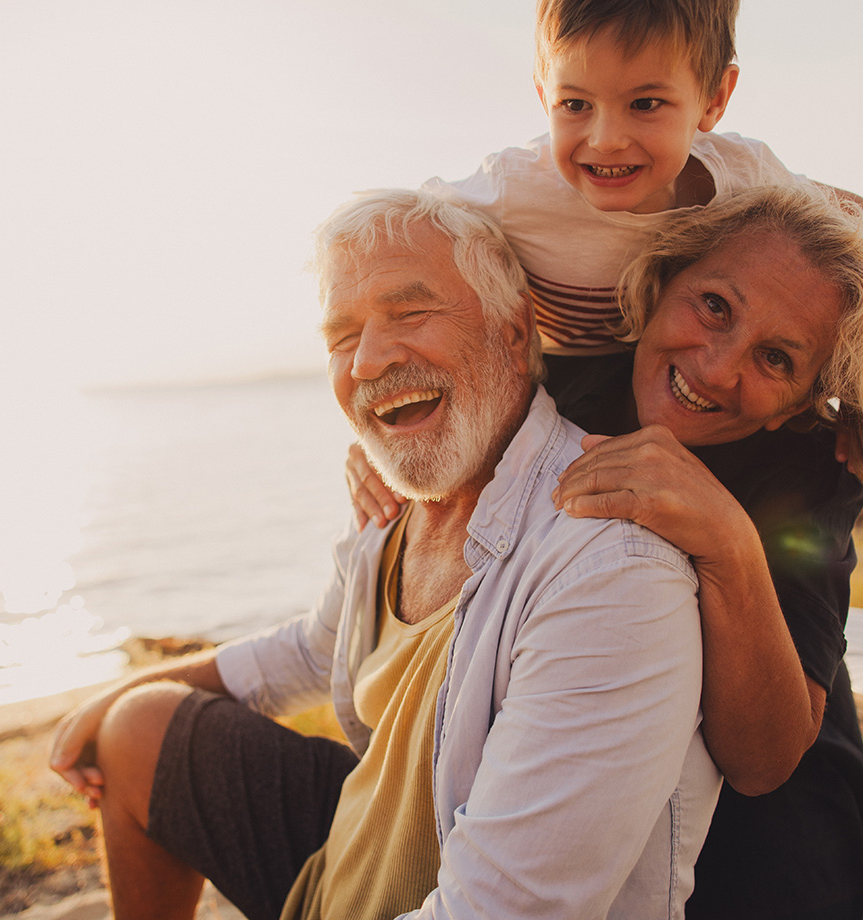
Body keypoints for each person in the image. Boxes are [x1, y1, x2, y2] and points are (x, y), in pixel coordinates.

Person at [52, 188, 721, 920]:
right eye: (342, 337)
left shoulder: (609, 568)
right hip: (336, 868)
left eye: (410, 313)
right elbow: (316, 651)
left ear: (512, 326)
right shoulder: (395, 505)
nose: (369, 361)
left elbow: (508, 910)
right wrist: (113, 695)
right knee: (139, 725)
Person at [349, 186, 863, 919]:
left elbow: (767, 762)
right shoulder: (568, 385)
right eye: (714, 305)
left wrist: (727, 541)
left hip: (772, 863)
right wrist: (383, 448)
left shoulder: (807, 475)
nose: (717, 368)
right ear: (660, 284)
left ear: (801, 401)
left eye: (776, 358)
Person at [422, 0, 861, 357]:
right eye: (575, 105)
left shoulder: (745, 176)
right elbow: (405, 225)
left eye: (645, 104)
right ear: (544, 95)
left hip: (684, 364)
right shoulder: (513, 187)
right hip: (558, 375)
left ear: (713, 98)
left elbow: (835, 215)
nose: (606, 139)